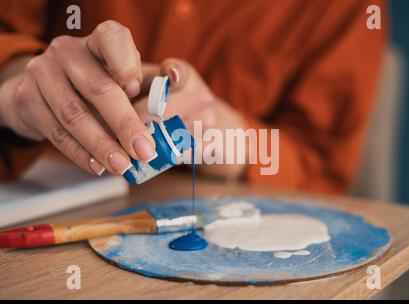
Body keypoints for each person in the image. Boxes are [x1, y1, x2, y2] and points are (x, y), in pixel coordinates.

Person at [0, 0, 386, 193]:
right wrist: (16, 78)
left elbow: (320, 166)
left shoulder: (346, 9)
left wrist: (234, 135)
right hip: (46, 188)